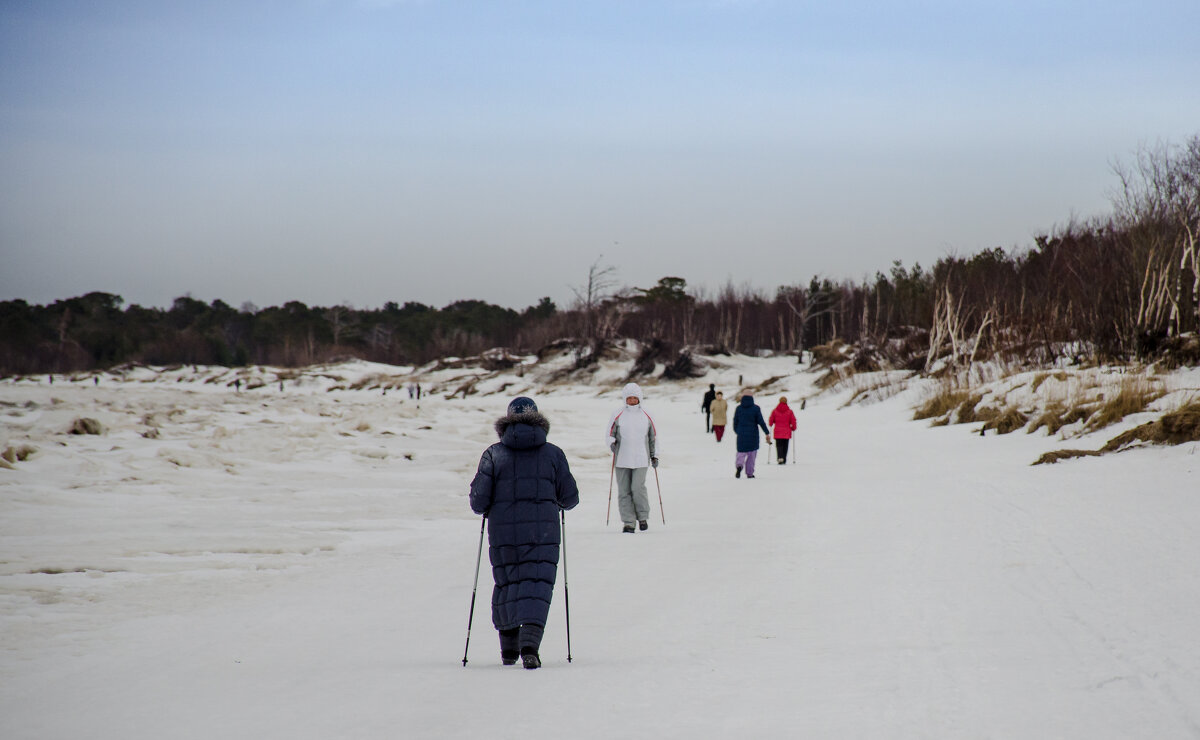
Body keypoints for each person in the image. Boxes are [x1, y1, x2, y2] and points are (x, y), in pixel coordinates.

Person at [469, 397, 579, 669]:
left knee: (507, 584)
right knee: (537, 584)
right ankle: (529, 647)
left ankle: (508, 651)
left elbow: (478, 502)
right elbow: (570, 497)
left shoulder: (493, 454)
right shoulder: (553, 453)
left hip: (503, 533)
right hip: (543, 532)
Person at [605, 382, 658, 533]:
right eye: (629, 398)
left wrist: (655, 456)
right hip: (621, 459)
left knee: (637, 488)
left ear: (639, 398)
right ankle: (629, 522)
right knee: (624, 491)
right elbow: (609, 434)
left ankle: (642, 517)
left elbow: (653, 437)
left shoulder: (647, 415)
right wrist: (611, 443)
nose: (632, 400)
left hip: (641, 458)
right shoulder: (617, 414)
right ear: (625, 399)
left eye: (635, 398)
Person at [731, 392, 769, 479]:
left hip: (741, 434)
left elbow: (735, 421)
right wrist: (766, 432)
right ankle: (750, 473)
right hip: (753, 434)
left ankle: (739, 466)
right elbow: (761, 422)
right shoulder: (756, 408)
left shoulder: (738, 408)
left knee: (741, 452)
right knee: (751, 455)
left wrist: (737, 431)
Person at [768, 396, 797, 464]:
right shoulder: (790, 411)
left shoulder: (775, 411)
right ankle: (784, 458)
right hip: (786, 431)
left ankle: (779, 457)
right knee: (785, 445)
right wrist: (793, 428)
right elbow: (793, 420)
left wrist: (771, 423)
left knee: (778, 445)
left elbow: (771, 421)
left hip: (777, 431)